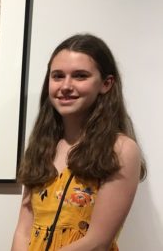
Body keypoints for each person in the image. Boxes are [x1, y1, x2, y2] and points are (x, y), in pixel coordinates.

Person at [11, 34, 146, 251]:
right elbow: (23, 230)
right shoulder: (42, 146)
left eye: (80, 76)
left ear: (106, 83)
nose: (66, 86)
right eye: (57, 76)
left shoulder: (120, 150)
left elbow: (97, 242)